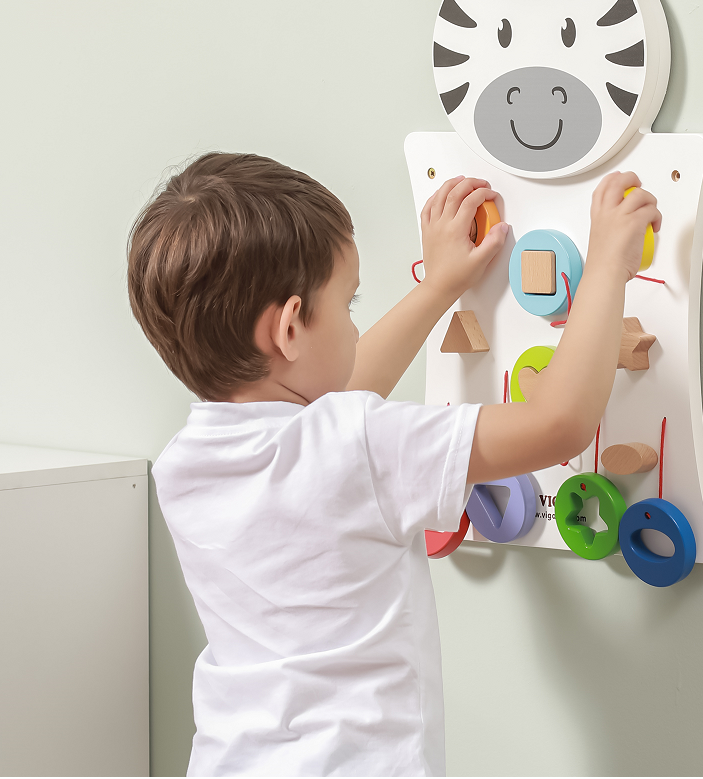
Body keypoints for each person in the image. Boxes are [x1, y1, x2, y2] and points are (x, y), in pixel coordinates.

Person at [127, 151, 660, 776]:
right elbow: (558, 425)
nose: (356, 325)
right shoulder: (358, 445)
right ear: (291, 328)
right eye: (350, 304)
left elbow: (335, 398)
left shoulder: (184, 465)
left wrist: (439, 287)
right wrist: (605, 265)